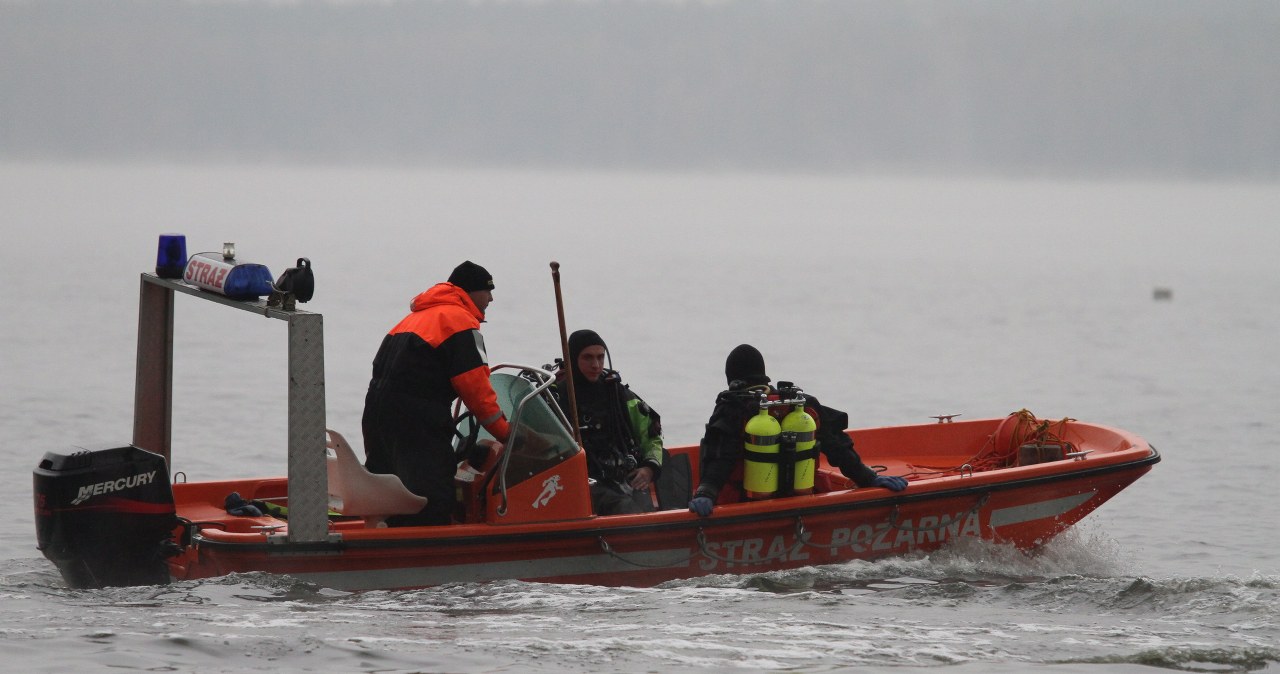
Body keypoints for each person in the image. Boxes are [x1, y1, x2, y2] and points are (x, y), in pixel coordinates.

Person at [361, 260, 512, 526]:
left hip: (378, 417)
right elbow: (476, 390)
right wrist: (508, 435)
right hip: (416, 422)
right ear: (470, 292)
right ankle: (430, 554)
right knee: (432, 497)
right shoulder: (459, 321)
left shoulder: (413, 319)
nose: (491, 298)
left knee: (391, 490)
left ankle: (385, 544)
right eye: (487, 291)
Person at [689, 344, 908, 517]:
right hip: (802, 501)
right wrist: (869, 478)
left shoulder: (732, 408)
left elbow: (720, 458)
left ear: (731, 379)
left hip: (746, 507)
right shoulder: (801, 404)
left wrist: (706, 493)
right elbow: (837, 446)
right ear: (764, 375)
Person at [550, 329, 665, 515]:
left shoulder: (617, 393)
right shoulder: (556, 398)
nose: (596, 365)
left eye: (600, 357)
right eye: (587, 358)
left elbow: (651, 432)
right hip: (579, 485)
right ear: (572, 359)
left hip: (623, 478)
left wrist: (649, 468)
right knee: (625, 509)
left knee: (645, 511)